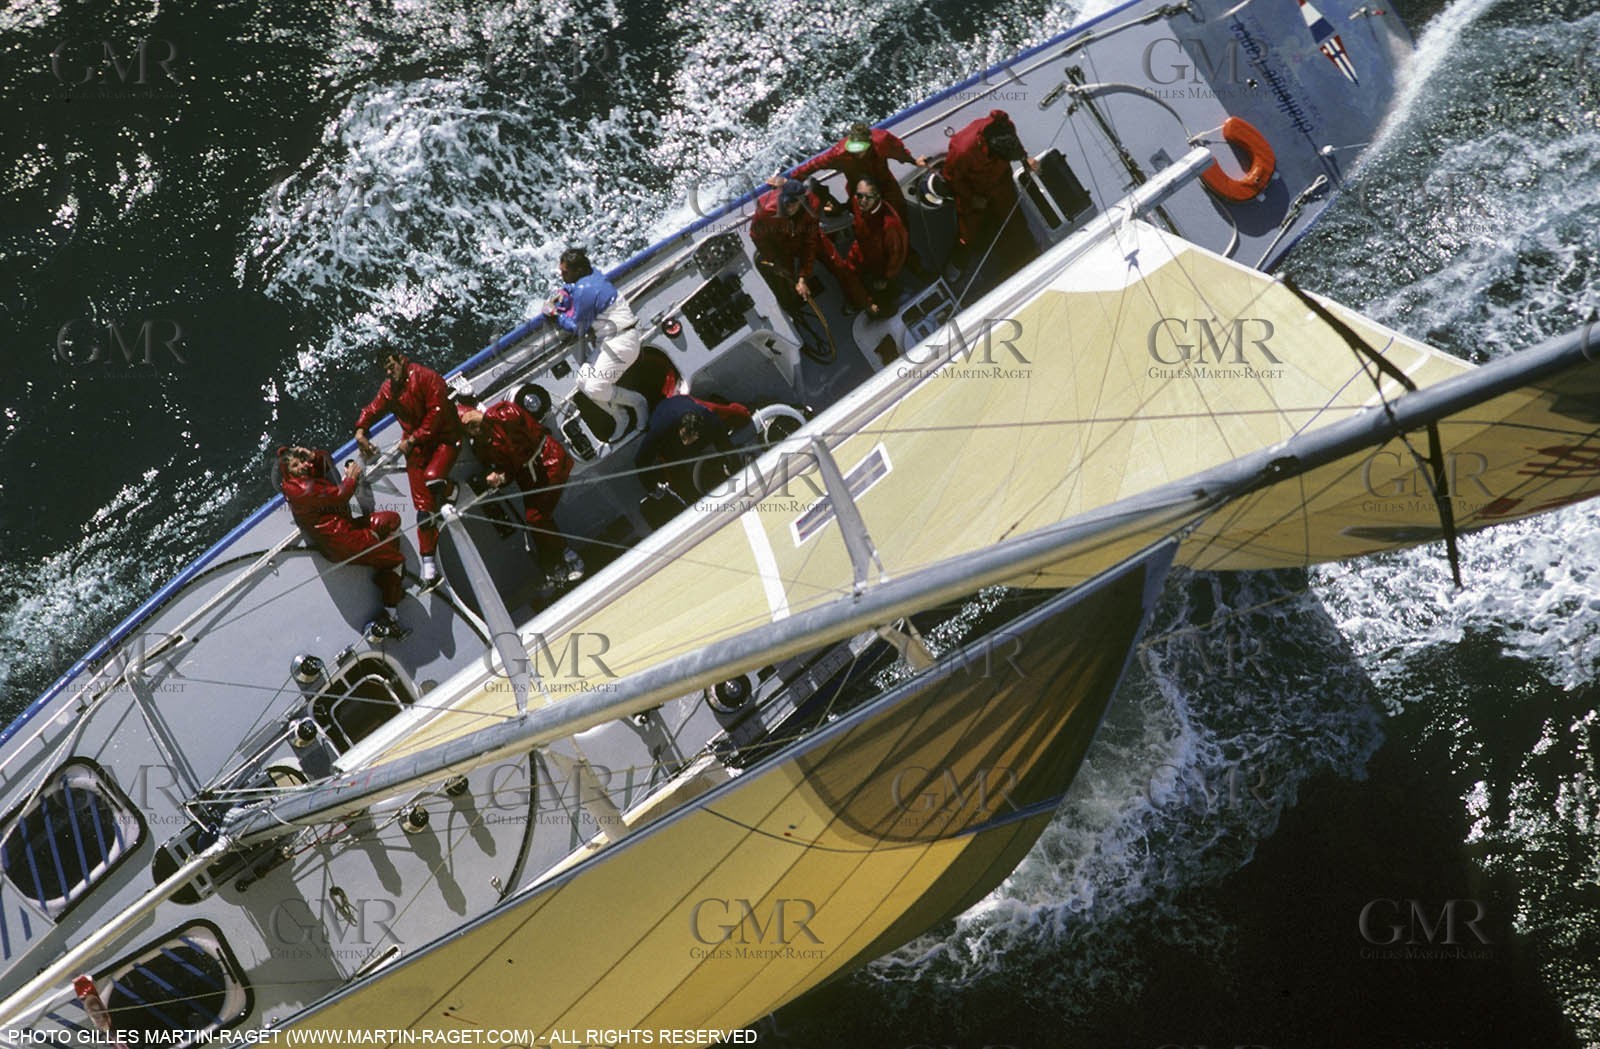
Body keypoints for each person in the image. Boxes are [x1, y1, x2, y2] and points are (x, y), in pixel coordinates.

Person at [354, 350, 461, 587]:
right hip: (417, 446)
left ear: (402, 359)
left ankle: (452, 489)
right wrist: (360, 430)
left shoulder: (427, 377)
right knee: (422, 509)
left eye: (392, 365)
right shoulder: (389, 389)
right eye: (386, 369)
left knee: (432, 480)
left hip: (445, 438)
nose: (390, 372)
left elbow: (437, 415)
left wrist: (412, 440)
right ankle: (429, 567)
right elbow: (372, 409)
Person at [278, 445, 408, 638]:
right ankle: (391, 614)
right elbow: (341, 496)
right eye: (296, 465)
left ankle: (386, 578)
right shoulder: (302, 488)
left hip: (346, 531)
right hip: (343, 542)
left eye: (302, 461)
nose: (302, 466)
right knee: (396, 560)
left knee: (391, 520)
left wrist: (313, 455)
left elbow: (324, 461)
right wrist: (352, 477)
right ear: (288, 473)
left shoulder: (300, 479)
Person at [458, 399, 585, 587]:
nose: (472, 428)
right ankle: (554, 566)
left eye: (471, 422)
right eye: (467, 428)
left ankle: (569, 557)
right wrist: (498, 478)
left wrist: (484, 416)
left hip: (549, 460)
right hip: (528, 475)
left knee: (536, 518)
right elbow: (508, 471)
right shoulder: (480, 447)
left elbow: (521, 421)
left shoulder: (502, 413)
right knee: (534, 521)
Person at [545, 247, 650, 442]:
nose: (561, 274)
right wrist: (565, 290)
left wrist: (554, 314)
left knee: (595, 387)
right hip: (611, 340)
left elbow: (577, 328)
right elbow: (575, 290)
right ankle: (620, 416)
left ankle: (638, 403)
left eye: (565, 272)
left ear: (577, 271)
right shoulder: (590, 274)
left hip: (622, 341)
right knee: (582, 381)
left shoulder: (585, 290)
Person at [942, 109, 1040, 272]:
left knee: (1014, 220)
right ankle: (960, 258)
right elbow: (951, 178)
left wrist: (1025, 158)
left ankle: (1025, 256)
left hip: (1001, 182)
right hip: (974, 190)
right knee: (969, 231)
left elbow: (1015, 144)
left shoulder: (1004, 127)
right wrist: (971, 198)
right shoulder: (963, 151)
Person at [789, 120, 928, 221]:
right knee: (866, 223)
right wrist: (790, 184)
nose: (857, 154)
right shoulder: (839, 154)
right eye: (853, 149)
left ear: (870, 141)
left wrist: (913, 161)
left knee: (900, 217)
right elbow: (812, 165)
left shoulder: (882, 140)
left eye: (860, 149)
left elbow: (899, 151)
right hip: (859, 193)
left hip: (886, 186)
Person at [749, 178, 849, 314]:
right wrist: (773, 259)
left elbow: (810, 244)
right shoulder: (766, 211)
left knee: (838, 265)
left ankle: (858, 301)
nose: (789, 207)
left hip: (806, 239)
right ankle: (792, 308)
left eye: (793, 203)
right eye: (786, 203)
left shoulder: (812, 207)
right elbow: (757, 236)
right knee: (785, 278)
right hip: (782, 246)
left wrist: (803, 276)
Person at [634, 395, 734, 502]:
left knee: (725, 427)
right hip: (668, 430)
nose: (687, 442)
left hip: (685, 404)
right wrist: (652, 487)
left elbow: (724, 440)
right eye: (685, 437)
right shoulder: (661, 428)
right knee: (674, 469)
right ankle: (690, 497)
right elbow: (640, 460)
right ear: (681, 428)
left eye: (691, 438)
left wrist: (732, 462)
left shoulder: (709, 419)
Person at [838, 176, 909, 318]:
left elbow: (897, 254)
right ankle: (855, 302)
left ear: (877, 196)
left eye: (868, 197)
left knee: (881, 291)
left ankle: (889, 299)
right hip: (859, 252)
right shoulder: (857, 203)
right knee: (849, 277)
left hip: (880, 265)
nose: (862, 201)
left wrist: (886, 277)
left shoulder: (890, 225)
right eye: (859, 195)